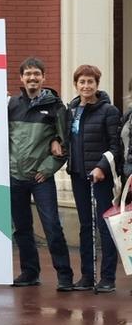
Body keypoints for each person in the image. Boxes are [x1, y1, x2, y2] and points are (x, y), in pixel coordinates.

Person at [7, 58, 72, 290]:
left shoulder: (56, 107)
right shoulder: (11, 105)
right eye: (28, 74)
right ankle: (30, 272)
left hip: (41, 178)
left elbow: (64, 147)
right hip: (15, 177)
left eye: (36, 74)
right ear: (21, 78)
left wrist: (47, 169)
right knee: (21, 229)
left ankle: (64, 275)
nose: (32, 78)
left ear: (43, 77)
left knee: (52, 226)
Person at [65, 64, 121, 293]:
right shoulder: (72, 109)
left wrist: (100, 168)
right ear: (76, 84)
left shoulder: (108, 111)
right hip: (78, 176)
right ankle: (87, 276)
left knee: (104, 226)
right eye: (82, 82)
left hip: (100, 177)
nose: (86, 86)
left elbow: (115, 146)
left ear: (97, 85)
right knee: (86, 226)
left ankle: (107, 277)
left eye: (90, 82)